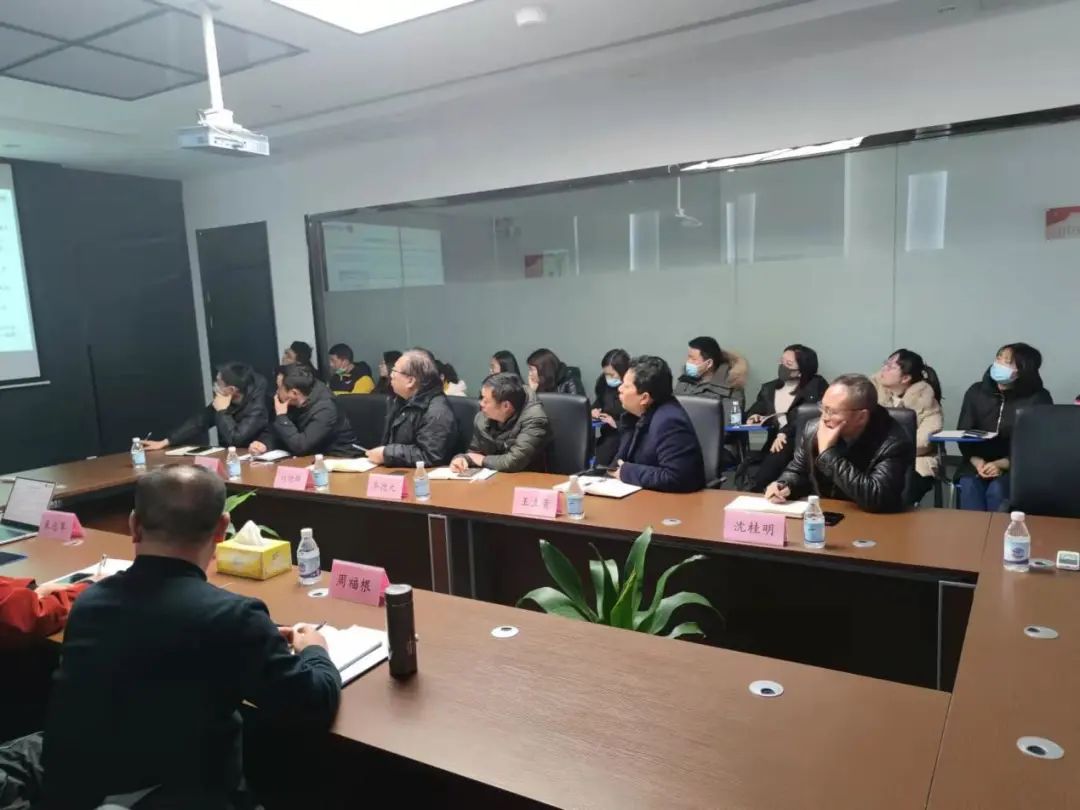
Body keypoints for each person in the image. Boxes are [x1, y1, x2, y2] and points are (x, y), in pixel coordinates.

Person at [41, 465, 341, 808]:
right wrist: (314, 650)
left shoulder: (89, 603)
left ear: (134, 525)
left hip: (79, 795)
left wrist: (254, 638)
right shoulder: (233, 618)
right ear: (222, 529)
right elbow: (313, 703)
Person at [765, 374, 914, 513]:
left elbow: (877, 498)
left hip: (872, 521)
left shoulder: (893, 442)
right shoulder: (814, 429)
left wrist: (828, 454)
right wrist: (785, 484)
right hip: (825, 514)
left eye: (832, 411)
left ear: (861, 417)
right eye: (823, 407)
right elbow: (797, 471)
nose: (824, 418)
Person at [955, 343, 1053, 512]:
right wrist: (977, 461)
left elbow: (1038, 444)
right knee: (969, 486)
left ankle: (1002, 530)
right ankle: (972, 530)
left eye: (1006, 362)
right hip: (976, 462)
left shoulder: (1038, 398)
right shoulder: (976, 391)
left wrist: (1003, 464)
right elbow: (963, 432)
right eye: (998, 358)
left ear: (1022, 370)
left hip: (1018, 466)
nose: (998, 364)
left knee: (997, 490)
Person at [614, 356, 706, 493]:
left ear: (644, 398)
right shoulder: (634, 416)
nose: (619, 389)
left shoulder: (669, 421)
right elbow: (619, 462)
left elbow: (677, 477)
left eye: (626, 386)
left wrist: (626, 472)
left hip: (673, 501)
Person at [743, 345, 828, 492]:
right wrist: (753, 416)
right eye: (781, 361)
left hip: (796, 440)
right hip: (766, 437)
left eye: (788, 364)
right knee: (754, 454)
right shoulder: (769, 388)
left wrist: (784, 432)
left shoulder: (816, 387)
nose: (782, 366)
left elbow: (807, 417)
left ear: (802, 369)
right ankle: (753, 487)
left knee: (782, 446)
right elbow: (757, 408)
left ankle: (759, 489)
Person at [144, 362, 269, 452]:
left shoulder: (258, 407)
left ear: (232, 389)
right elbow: (199, 422)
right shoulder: (226, 397)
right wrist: (166, 441)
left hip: (256, 454)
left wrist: (222, 411)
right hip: (233, 455)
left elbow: (236, 439)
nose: (215, 385)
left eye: (218, 383)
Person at [872, 349, 944, 503]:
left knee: (898, 489)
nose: (883, 369)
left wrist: (886, 450)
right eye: (885, 364)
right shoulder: (871, 393)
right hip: (875, 458)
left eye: (890, 367)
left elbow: (923, 443)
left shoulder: (927, 403)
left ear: (905, 378)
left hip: (915, 462)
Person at [366, 350, 457, 467]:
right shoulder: (400, 400)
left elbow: (429, 456)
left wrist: (386, 453)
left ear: (410, 381)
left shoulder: (437, 411)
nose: (391, 375)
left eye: (394, 371)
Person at [249, 364, 359, 457]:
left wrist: (282, 417)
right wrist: (264, 444)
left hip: (337, 458)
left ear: (294, 393)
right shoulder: (291, 400)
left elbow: (301, 447)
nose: (276, 392)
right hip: (308, 458)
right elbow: (277, 430)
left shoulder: (326, 408)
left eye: (279, 387)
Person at [450, 373, 551, 473]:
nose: (481, 404)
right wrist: (464, 459)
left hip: (526, 478)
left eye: (486, 401)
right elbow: (474, 452)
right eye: (481, 398)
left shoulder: (535, 419)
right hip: (493, 476)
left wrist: (482, 460)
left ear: (506, 406)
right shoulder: (483, 417)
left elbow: (514, 461)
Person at [673, 336, 748, 413]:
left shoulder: (732, 387)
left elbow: (732, 418)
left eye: (693, 359)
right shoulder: (684, 380)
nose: (688, 362)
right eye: (688, 357)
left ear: (709, 363)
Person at [591, 348, 630, 467]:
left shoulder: (632, 388)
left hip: (627, 436)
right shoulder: (603, 384)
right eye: (606, 374)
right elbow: (599, 402)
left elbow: (639, 419)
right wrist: (594, 411)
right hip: (608, 435)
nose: (608, 378)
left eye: (611, 375)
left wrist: (615, 423)